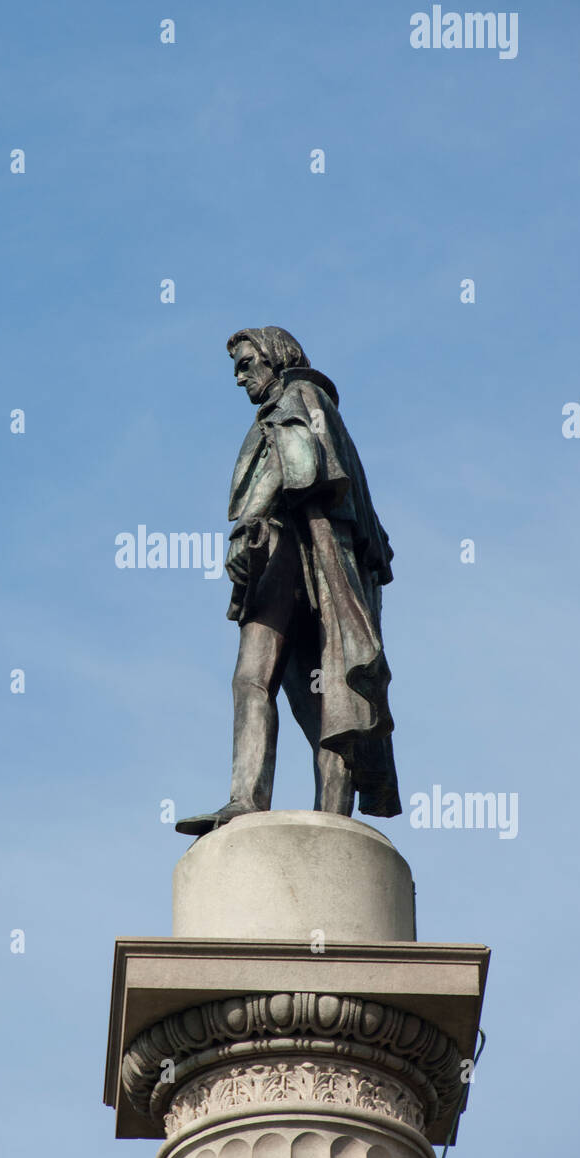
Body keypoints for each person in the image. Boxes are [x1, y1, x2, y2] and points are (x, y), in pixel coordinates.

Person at [176, 326, 400, 836]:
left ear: (277, 358)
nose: (239, 377)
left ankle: (328, 821)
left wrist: (252, 520)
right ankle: (245, 800)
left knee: (321, 696)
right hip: (283, 559)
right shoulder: (288, 406)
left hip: (307, 560)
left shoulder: (302, 396)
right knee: (265, 682)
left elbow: (303, 465)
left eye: (246, 363)